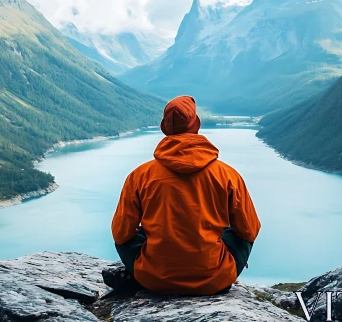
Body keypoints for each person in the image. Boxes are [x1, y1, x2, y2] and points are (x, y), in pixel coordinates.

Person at [110, 95, 261, 295]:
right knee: (240, 232)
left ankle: (144, 274)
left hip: (153, 278)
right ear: (197, 124)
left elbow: (121, 234)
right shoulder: (227, 175)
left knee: (133, 234)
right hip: (214, 279)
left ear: (164, 128)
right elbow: (249, 231)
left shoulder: (140, 176)